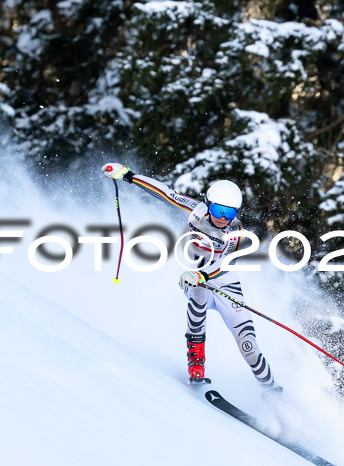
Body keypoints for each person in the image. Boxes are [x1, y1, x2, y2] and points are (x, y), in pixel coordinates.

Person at [101, 163, 282, 396]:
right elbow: (166, 193)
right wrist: (128, 175)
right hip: (198, 280)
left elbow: (222, 264)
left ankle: (272, 391)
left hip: (226, 283)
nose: (222, 218)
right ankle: (196, 365)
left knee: (248, 346)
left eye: (230, 213)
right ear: (208, 205)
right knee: (199, 292)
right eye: (218, 210)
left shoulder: (235, 232)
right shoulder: (196, 210)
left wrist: (200, 275)